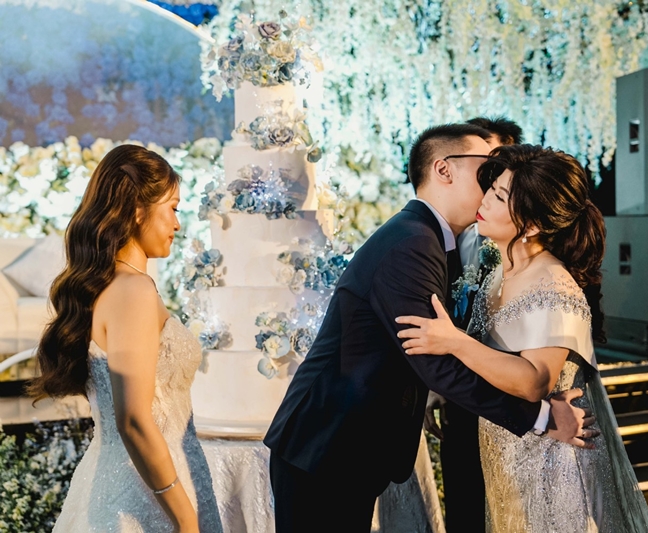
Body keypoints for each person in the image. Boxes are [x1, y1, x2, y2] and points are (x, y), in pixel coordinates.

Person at [264, 125, 598, 532]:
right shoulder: (413, 243)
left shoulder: (435, 241)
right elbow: (434, 361)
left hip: (343, 444)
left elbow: (445, 349)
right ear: (444, 169)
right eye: (486, 169)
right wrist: (544, 417)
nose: (492, 179)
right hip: (327, 443)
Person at [397, 144, 648, 532]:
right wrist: (443, 390)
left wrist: (454, 342)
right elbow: (492, 359)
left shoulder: (552, 285)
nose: (485, 200)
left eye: (500, 197)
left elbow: (534, 381)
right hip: (507, 453)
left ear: (532, 225)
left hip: (554, 466)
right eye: (491, 189)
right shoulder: (499, 273)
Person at [29, 145, 223, 532]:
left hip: (132, 481)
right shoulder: (133, 290)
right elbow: (133, 420)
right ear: (137, 210)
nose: (177, 224)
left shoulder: (111, 287)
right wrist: (186, 520)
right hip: (145, 497)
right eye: (173, 208)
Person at [425, 115, 524, 533]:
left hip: (511, 400)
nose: (487, 178)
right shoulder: (453, 233)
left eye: (495, 165)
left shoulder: (533, 250)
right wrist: (436, 387)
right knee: (465, 505)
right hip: (462, 396)